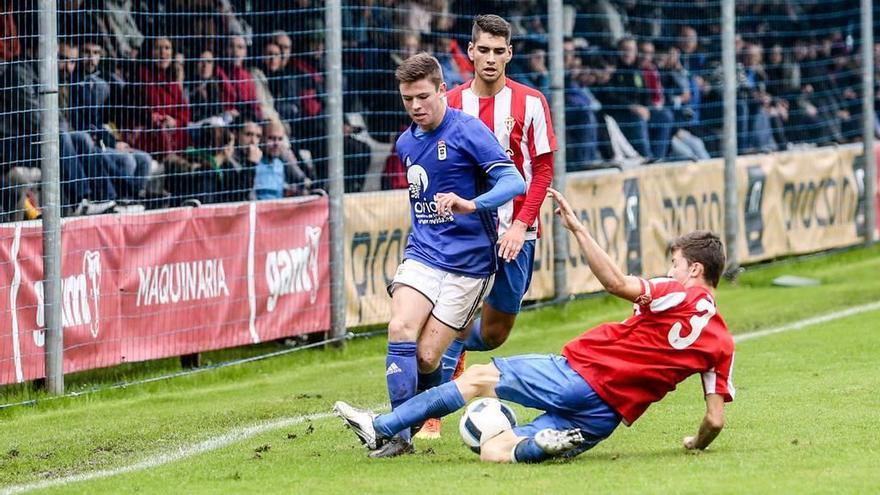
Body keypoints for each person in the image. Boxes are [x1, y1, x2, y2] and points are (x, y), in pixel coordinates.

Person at [335, 187, 735, 463]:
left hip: (580, 376)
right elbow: (714, 419)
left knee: (476, 376)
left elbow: (617, 283)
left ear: (694, 269)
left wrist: (578, 230)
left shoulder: (676, 292)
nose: (671, 269)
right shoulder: (722, 344)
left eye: (676, 264)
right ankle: (540, 444)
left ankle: (381, 425)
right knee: (497, 450)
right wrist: (694, 443)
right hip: (604, 418)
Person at [369, 52, 526, 458]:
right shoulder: (405, 142)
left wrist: (472, 204)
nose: (416, 107)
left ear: (442, 90)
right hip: (423, 254)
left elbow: (514, 180)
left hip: (470, 265)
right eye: (407, 100)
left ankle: (419, 410)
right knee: (400, 327)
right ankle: (398, 437)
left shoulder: (468, 131)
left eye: (423, 96)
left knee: (426, 357)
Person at [432, 15, 556, 439]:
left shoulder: (532, 102)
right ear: (469, 51)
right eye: (481, 49)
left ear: (509, 54)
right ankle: (432, 407)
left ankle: (460, 346)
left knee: (495, 333)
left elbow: (541, 173)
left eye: (497, 51)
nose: (489, 58)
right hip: (465, 233)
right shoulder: (449, 103)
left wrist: (521, 225)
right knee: (448, 316)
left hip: (515, 233)